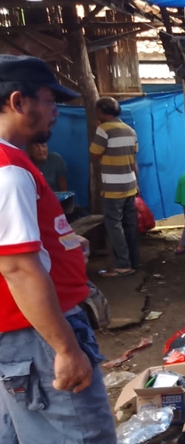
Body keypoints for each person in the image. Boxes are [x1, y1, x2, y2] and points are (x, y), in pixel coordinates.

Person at [0, 54, 116, 443]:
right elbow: (17, 268)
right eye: (50, 101)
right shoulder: (9, 169)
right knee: (80, 434)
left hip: (21, 334)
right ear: (19, 102)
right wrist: (65, 348)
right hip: (37, 337)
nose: (55, 112)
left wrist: (63, 243)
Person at [89, 97, 140, 278]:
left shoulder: (103, 130)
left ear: (102, 112)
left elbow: (94, 153)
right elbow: (134, 161)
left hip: (113, 187)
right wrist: (137, 184)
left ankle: (123, 265)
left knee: (114, 225)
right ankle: (134, 261)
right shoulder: (130, 131)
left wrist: (97, 129)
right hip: (130, 185)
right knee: (130, 224)